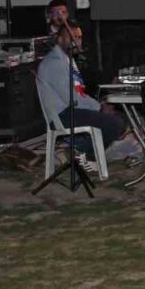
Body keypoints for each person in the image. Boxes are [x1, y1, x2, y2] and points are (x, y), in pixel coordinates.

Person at [36, 22, 125, 177]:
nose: (77, 41)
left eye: (79, 37)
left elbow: (79, 92)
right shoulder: (54, 63)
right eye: (71, 37)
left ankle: (82, 150)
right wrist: (99, 107)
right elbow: (72, 98)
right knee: (115, 122)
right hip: (63, 115)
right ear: (60, 40)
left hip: (71, 110)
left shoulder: (66, 59)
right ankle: (83, 152)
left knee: (121, 118)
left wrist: (101, 104)